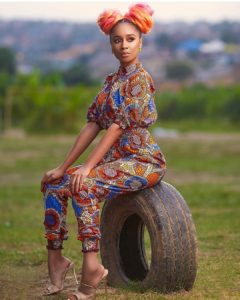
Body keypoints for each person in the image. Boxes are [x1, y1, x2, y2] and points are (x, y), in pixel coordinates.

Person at [41, 2, 167, 299]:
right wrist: (63, 166)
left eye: (130, 39)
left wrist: (86, 168)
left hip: (143, 162)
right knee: (55, 184)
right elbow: (93, 124)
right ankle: (56, 260)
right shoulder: (112, 82)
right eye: (117, 40)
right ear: (110, 44)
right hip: (116, 161)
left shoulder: (140, 80)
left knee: (83, 185)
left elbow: (117, 127)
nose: (124, 46)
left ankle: (92, 266)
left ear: (141, 41)